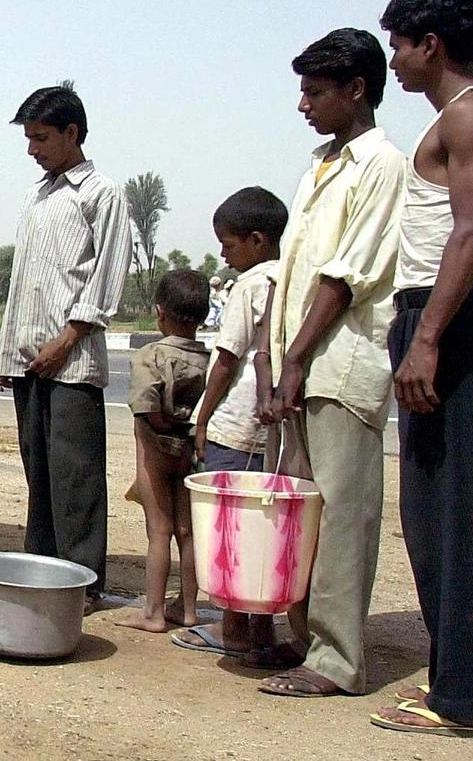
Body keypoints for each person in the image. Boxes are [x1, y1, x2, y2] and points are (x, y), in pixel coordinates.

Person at [255, 29, 407, 699]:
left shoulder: (380, 165)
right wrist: (275, 357)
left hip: (339, 366)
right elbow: (294, 272)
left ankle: (338, 658)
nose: (302, 105)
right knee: (304, 513)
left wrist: (292, 358)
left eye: (314, 92)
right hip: (301, 365)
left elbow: (345, 277)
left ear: (356, 90)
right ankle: (305, 636)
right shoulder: (321, 163)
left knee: (342, 515)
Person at [370, 0, 473, 740]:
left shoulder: (470, 114)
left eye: (399, 42)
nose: (393, 57)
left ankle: (469, 697)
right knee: (433, 514)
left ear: (432, 43)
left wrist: (425, 338)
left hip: (448, 322)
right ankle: (467, 676)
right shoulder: (458, 116)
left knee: (455, 518)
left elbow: (469, 233)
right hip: (437, 317)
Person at [0, 84, 133, 610]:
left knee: (76, 477)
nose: (33, 148)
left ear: (72, 133)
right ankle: (42, 571)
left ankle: (83, 581)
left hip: (72, 361)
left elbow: (107, 278)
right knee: (39, 474)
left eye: (41, 138)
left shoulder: (101, 193)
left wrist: (67, 338)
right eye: (28, 138)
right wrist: (8, 351)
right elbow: (22, 278)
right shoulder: (37, 195)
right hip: (28, 360)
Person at [172, 186, 298, 668]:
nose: (223, 254)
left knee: (228, 535)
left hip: (234, 423)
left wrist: (202, 418)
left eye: (228, 244)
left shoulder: (249, 286)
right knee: (261, 537)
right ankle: (261, 631)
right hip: (269, 433)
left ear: (257, 240)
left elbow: (226, 359)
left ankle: (232, 631)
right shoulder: (290, 278)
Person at [117, 270, 210, 633]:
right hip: (190, 452)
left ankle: (153, 611)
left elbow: (146, 407)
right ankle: (187, 609)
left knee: (159, 530)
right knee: (187, 531)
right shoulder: (209, 358)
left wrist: (161, 429)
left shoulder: (150, 356)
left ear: (160, 313)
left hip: (155, 450)